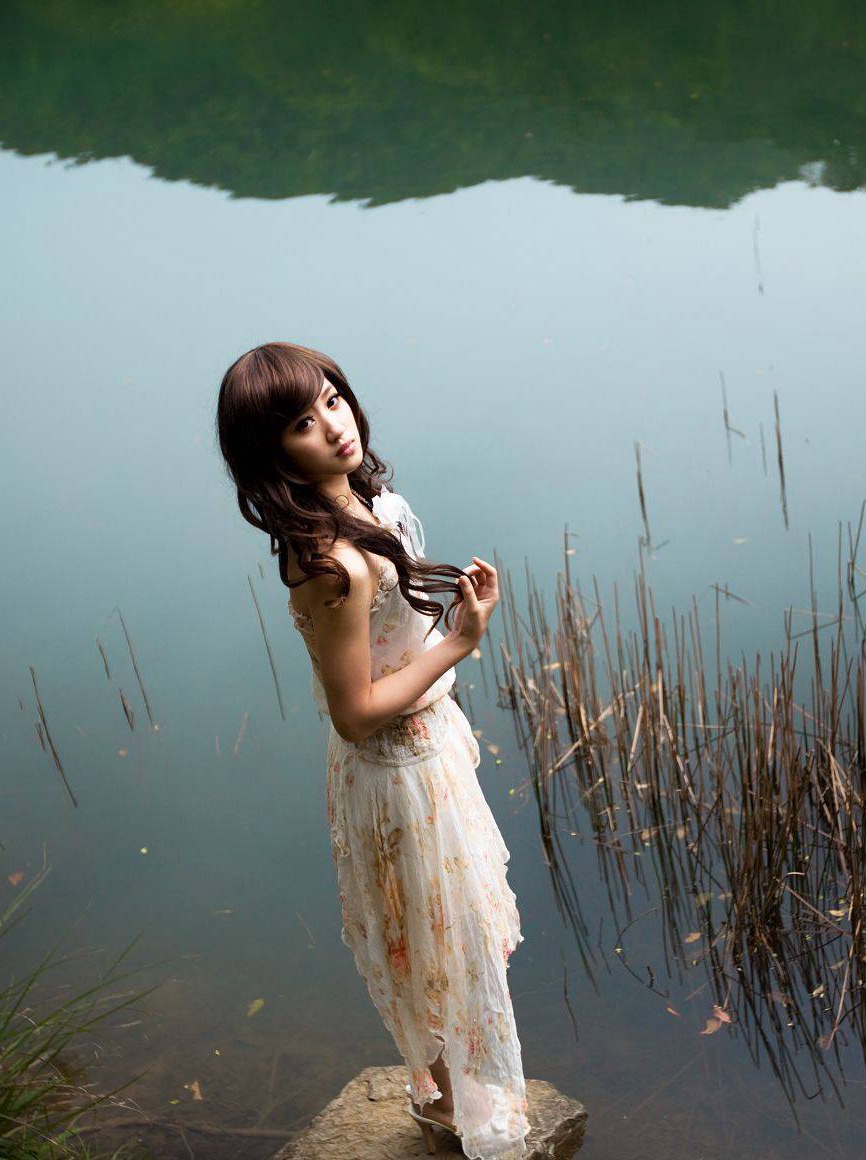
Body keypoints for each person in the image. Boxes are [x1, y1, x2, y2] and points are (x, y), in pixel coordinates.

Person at [215, 341, 531, 1157]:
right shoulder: (326, 562)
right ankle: (452, 1107)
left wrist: (438, 633)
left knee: (458, 933)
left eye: (330, 400)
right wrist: (459, 642)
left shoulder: (365, 504)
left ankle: (449, 1099)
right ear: (271, 451)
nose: (330, 425)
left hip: (427, 752)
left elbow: (392, 646)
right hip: (392, 772)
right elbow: (353, 713)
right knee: (430, 941)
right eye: (299, 422)